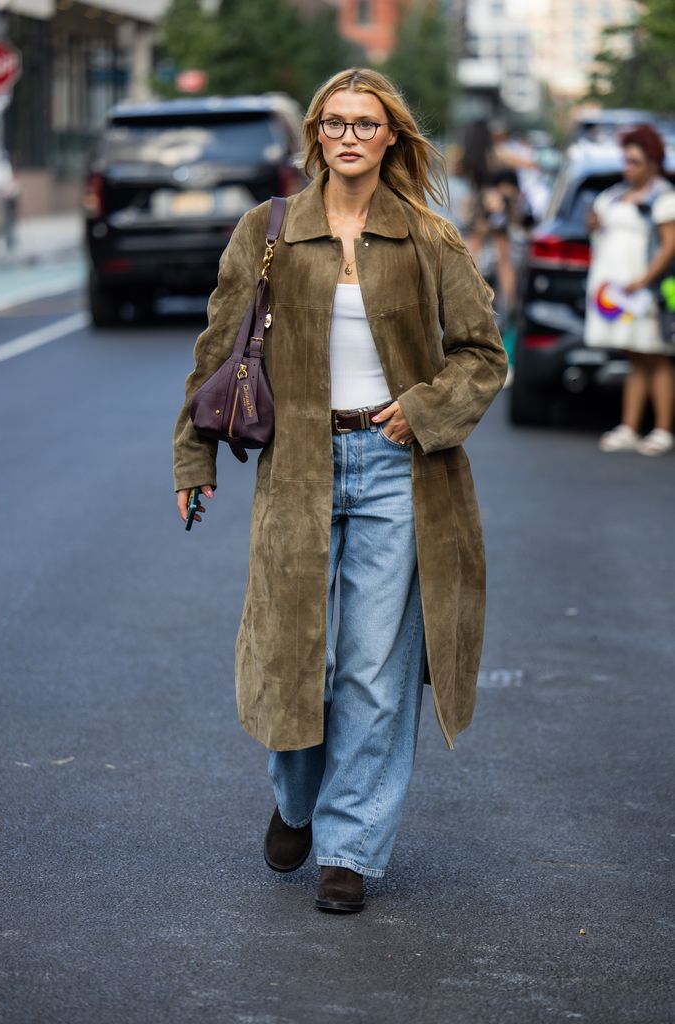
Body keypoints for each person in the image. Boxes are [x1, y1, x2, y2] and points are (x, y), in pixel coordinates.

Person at [172, 68, 507, 913]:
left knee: (373, 671)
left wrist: (423, 409)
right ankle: (295, 801)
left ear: (391, 135)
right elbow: (219, 352)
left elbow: (482, 354)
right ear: (316, 135)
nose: (349, 136)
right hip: (297, 466)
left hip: (400, 468)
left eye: (366, 123)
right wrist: (193, 460)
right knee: (296, 656)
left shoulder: (428, 237)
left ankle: (348, 849)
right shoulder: (270, 232)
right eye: (334, 122)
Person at [585, 124, 675, 455]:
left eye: (635, 161)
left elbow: (669, 247)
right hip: (617, 293)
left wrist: (644, 280)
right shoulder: (613, 195)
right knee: (636, 357)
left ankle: (663, 429)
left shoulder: (664, 198)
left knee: (656, 356)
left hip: (644, 294)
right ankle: (630, 426)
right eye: (626, 160)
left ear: (653, 162)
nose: (628, 168)